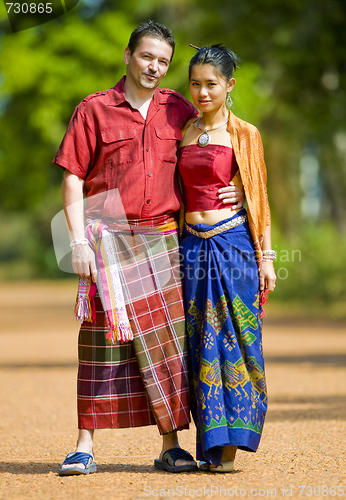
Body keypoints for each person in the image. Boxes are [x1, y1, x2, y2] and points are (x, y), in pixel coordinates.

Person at [52, 23, 244, 475]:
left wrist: (238, 184)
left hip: (162, 239)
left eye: (163, 61)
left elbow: (221, 141)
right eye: (147, 57)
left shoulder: (179, 109)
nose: (155, 67)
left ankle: (170, 446)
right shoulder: (94, 109)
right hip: (107, 242)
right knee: (101, 346)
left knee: (168, 348)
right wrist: (77, 242)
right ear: (128, 55)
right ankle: (84, 446)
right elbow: (73, 177)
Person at [178, 44, 276, 472]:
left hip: (233, 245)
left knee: (237, 338)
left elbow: (258, 199)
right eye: (195, 84)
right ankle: (211, 443)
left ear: (229, 86)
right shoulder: (182, 130)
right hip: (191, 247)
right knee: (200, 341)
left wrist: (268, 258)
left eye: (211, 84)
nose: (202, 92)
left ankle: (232, 445)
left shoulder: (244, 134)